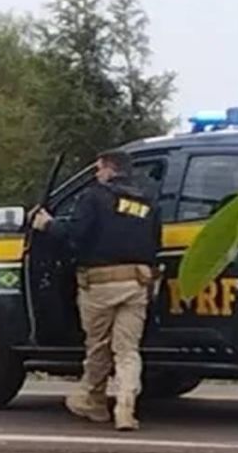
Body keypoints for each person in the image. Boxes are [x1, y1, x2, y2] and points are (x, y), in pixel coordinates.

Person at [30, 150, 161, 431]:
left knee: (99, 345)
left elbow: (76, 235)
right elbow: (155, 242)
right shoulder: (147, 201)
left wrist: (47, 224)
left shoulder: (94, 196)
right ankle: (125, 407)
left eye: (99, 169)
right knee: (128, 351)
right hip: (138, 283)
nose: (97, 174)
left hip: (100, 283)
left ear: (109, 169)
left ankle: (91, 397)